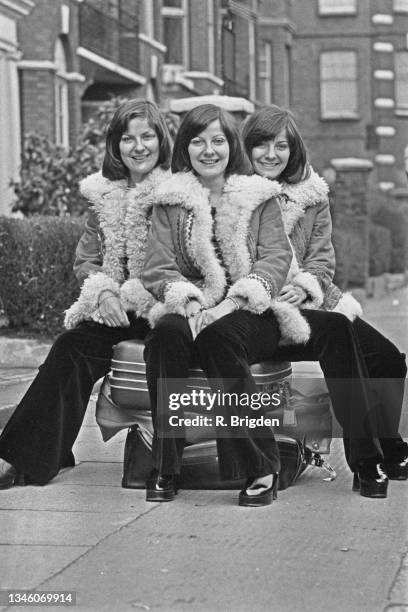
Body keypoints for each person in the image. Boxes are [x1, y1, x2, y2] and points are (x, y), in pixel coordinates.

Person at [0, 99, 172, 488]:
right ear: (116, 146)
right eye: (128, 138)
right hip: (118, 311)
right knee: (71, 347)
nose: (138, 146)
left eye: (147, 136)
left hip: (164, 308)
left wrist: (139, 296)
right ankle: (35, 457)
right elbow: (87, 262)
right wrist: (104, 294)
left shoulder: (176, 193)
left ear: (162, 141)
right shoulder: (103, 198)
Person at [141, 103, 306, 507]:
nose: (208, 150)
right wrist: (191, 302)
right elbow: (157, 266)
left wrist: (229, 304)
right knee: (165, 337)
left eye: (217, 140)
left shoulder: (259, 196)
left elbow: (275, 259)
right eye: (198, 141)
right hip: (190, 303)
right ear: (186, 148)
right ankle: (167, 465)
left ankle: (260, 465)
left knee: (219, 340)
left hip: (249, 309)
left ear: (232, 146)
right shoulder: (170, 200)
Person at [242, 104, 408, 498]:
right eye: (261, 145)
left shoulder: (312, 196)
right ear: (246, 149)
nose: (271, 154)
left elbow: (322, 259)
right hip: (263, 311)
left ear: (293, 149)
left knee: (386, 358)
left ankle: (388, 446)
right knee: (338, 337)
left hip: (312, 302)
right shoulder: (237, 196)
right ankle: (365, 461)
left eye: (280, 146)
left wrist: (306, 286)